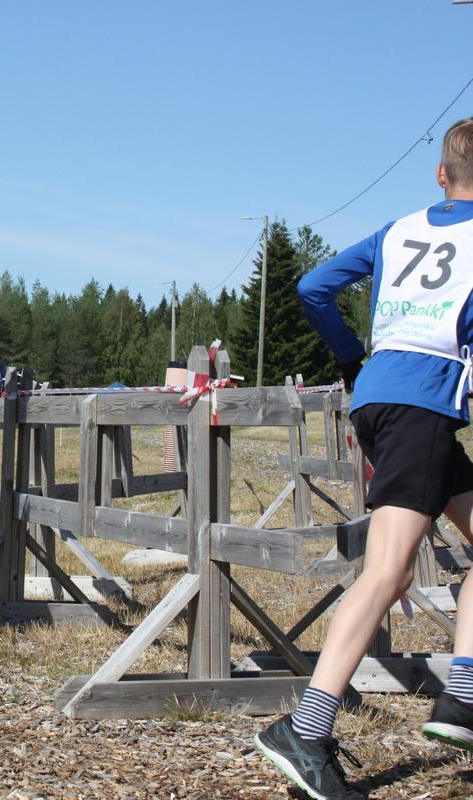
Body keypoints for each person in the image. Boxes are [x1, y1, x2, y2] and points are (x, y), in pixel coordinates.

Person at [254, 117, 473, 799]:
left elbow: (313, 287)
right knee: (387, 572)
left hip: (378, 397)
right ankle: (306, 730)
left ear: (440, 174)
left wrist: (351, 354)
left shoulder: (397, 230)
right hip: (424, 405)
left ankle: (463, 699)